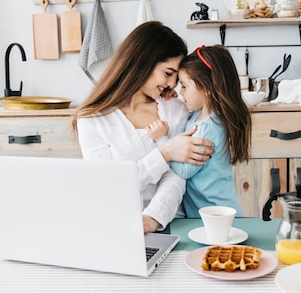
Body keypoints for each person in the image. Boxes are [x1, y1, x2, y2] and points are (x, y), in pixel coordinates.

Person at [73, 21, 215, 233]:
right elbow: (108, 186)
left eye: (176, 77)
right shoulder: (92, 119)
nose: (171, 83)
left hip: (170, 223)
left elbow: (176, 176)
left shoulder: (175, 110)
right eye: (167, 73)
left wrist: (154, 217)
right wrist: (164, 154)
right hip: (116, 225)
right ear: (142, 62)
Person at [146, 45, 252, 218]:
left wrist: (162, 140)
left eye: (185, 86)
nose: (180, 92)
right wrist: (170, 95)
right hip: (210, 213)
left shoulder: (209, 128)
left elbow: (185, 171)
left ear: (207, 88)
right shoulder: (199, 116)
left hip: (218, 215)